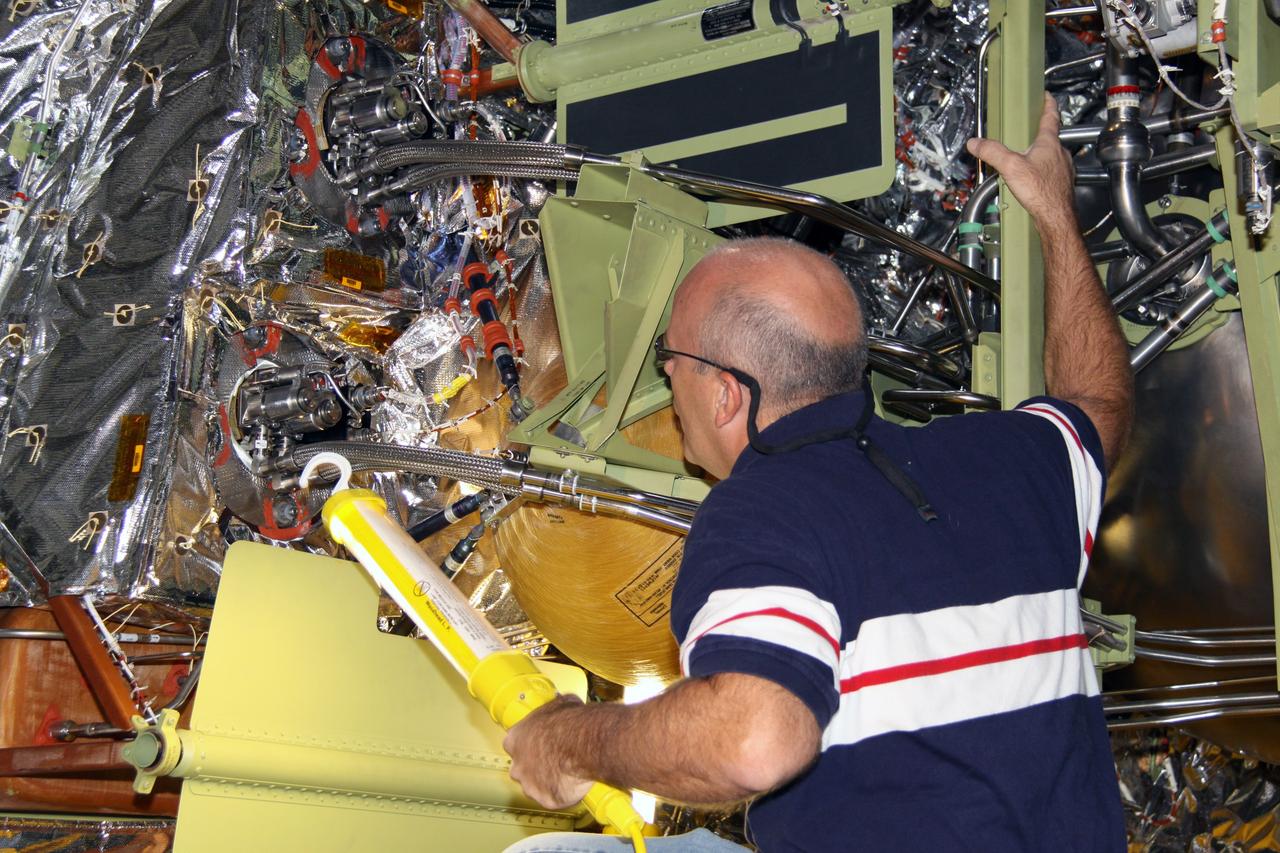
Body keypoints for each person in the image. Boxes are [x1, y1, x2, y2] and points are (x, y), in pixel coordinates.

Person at [501, 93, 1133, 852]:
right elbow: (1098, 400)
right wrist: (1055, 214)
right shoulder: (1010, 458)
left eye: (671, 368)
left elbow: (755, 739)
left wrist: (574, 740)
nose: (668, 389)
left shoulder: (758, 512)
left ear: (728, 393)